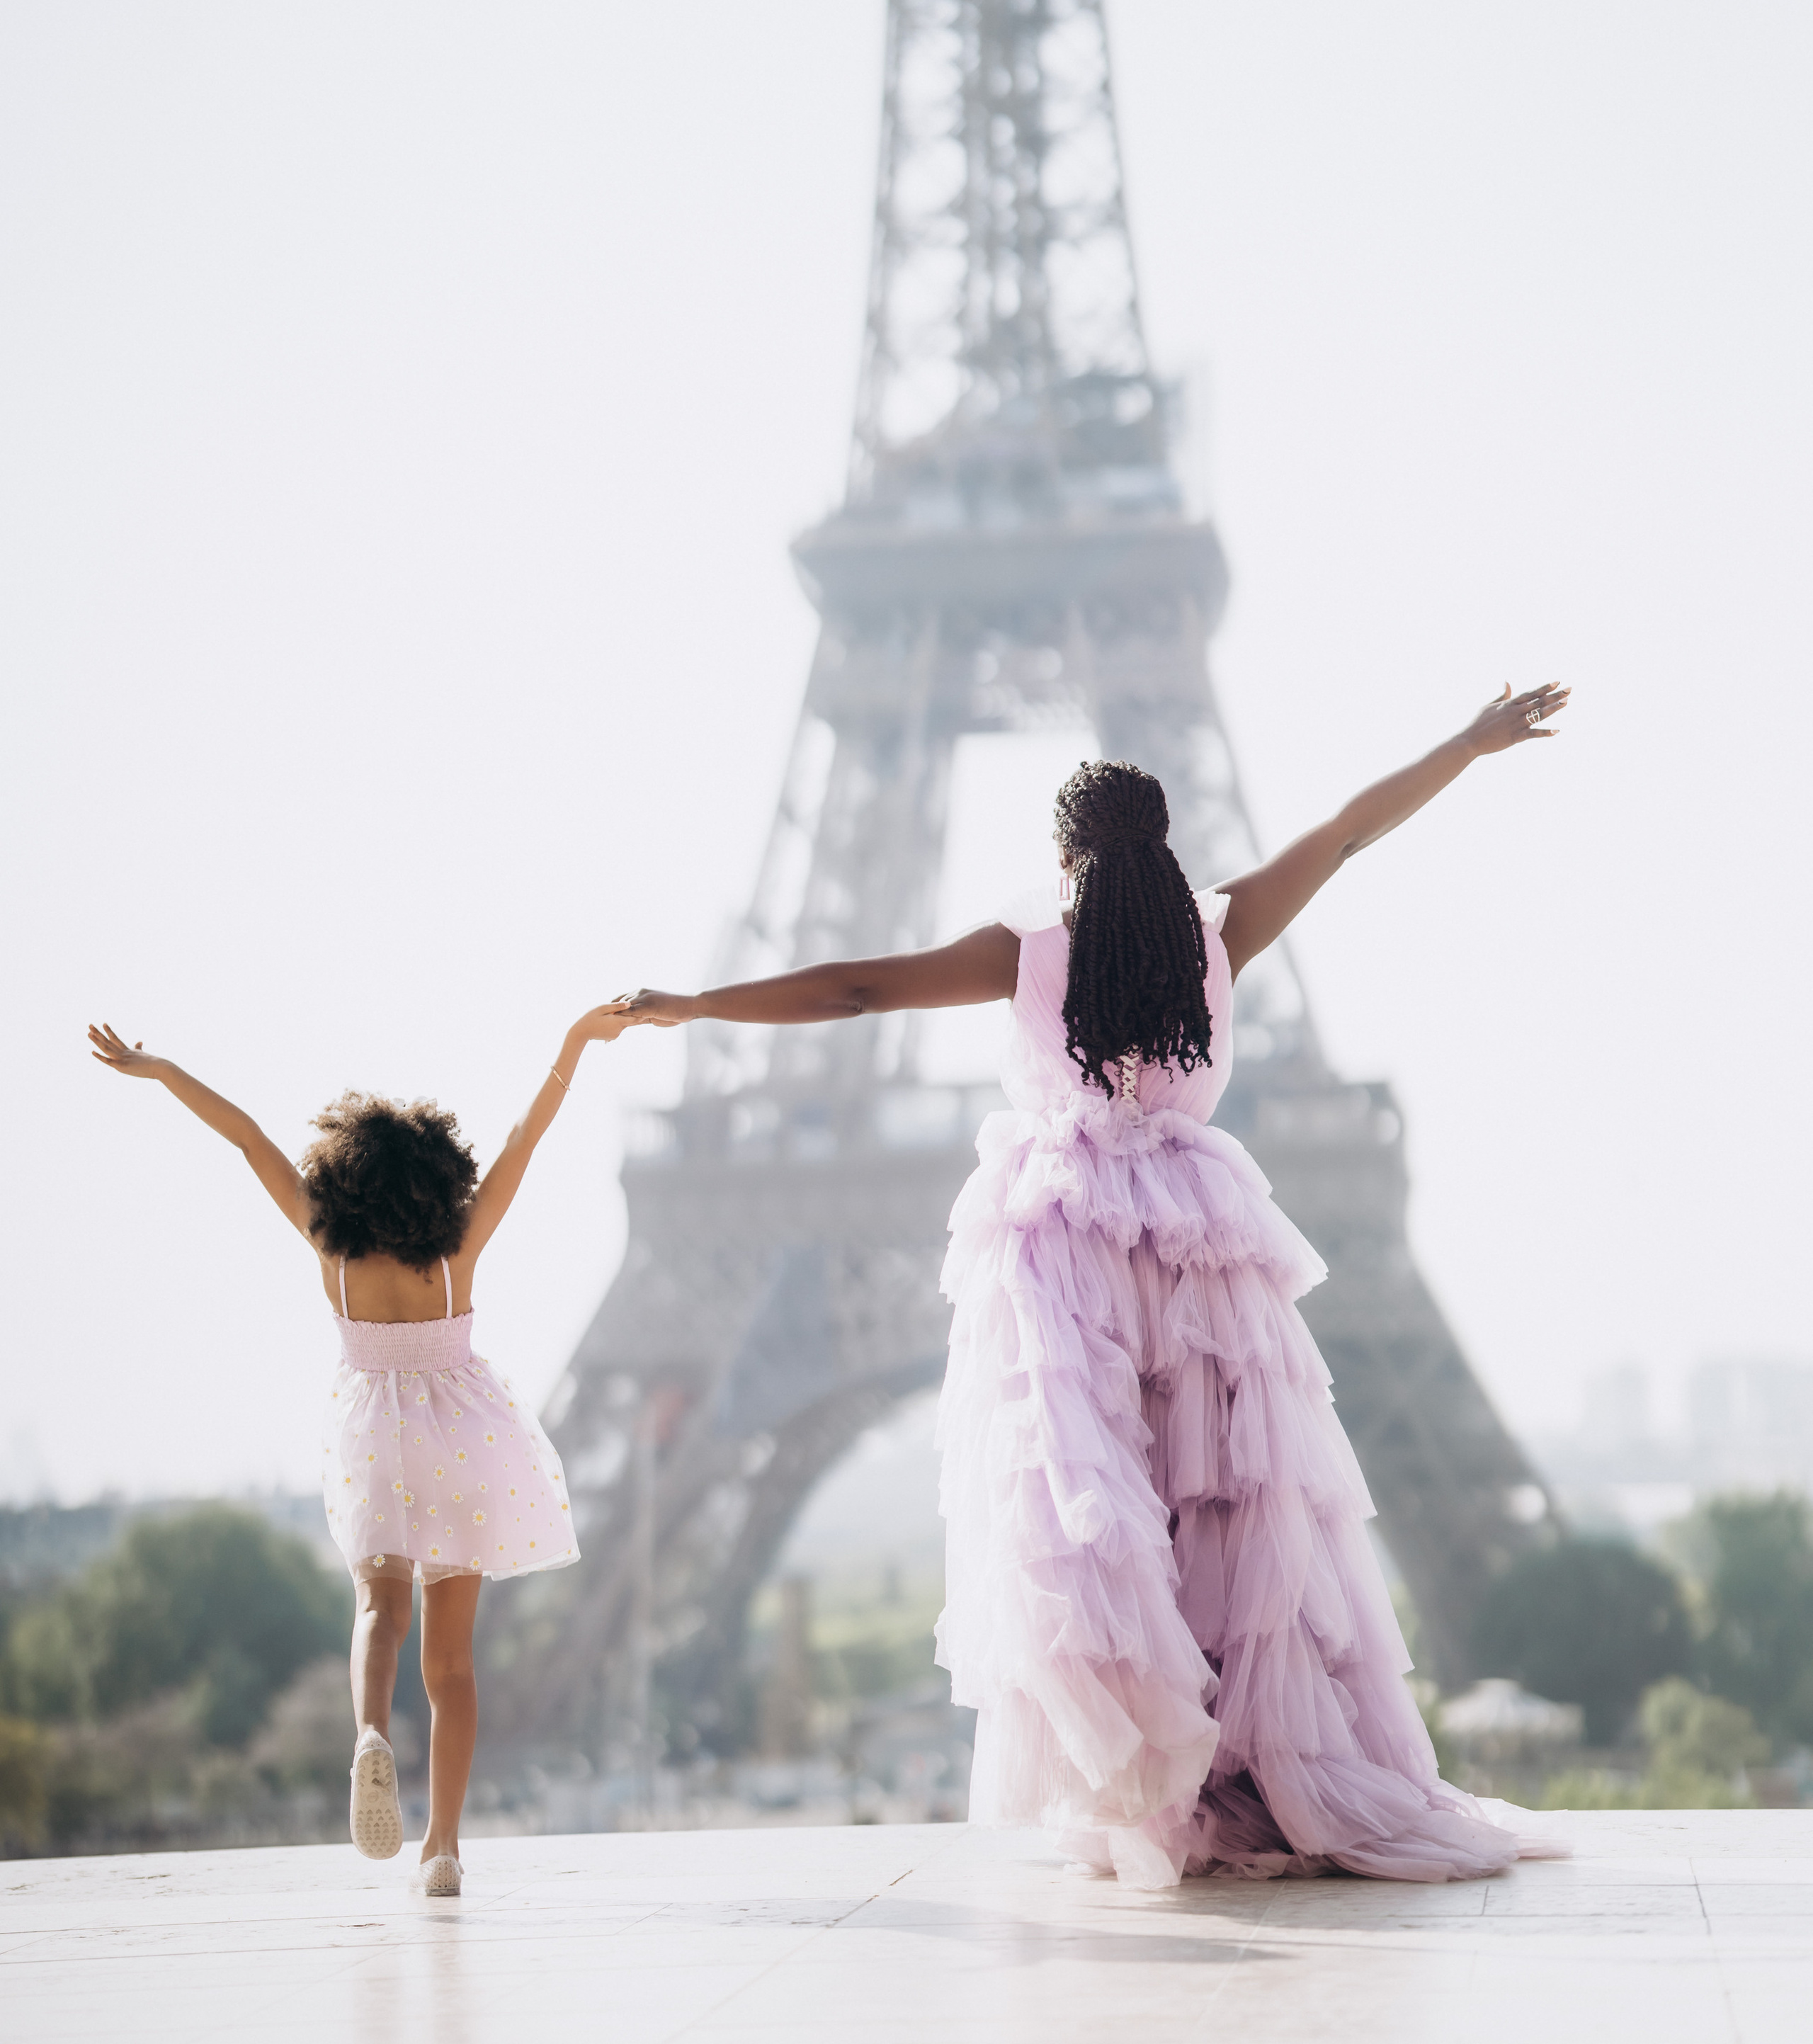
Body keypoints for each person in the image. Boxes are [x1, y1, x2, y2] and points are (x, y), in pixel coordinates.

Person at [608, 683, 1572, 1887]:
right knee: (1226, 1511)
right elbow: (1345, 831)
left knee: (1095, 1510)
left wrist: (698, 1006)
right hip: (1199, 1245)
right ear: (1164, 844)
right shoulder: (1218, 937)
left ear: (1065, 858)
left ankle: (1150, 1765)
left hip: (1066, 1239)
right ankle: (1264, 1771)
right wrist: (1468, 746)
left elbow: (857, 988)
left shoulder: (1031, 952)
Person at [86, 1007, 627, 1895]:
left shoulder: (329, 1247)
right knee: (452, 1665)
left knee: (379, 1608)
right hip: (465, 1444)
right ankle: (444, 1848)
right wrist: (573, 1043)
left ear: (343, 1180)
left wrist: (161, 1070)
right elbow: (528, 1136)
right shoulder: (457, 1248)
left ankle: (370, 1731)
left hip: (374, 1442)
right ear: (435, 1180)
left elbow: (249, 1139)